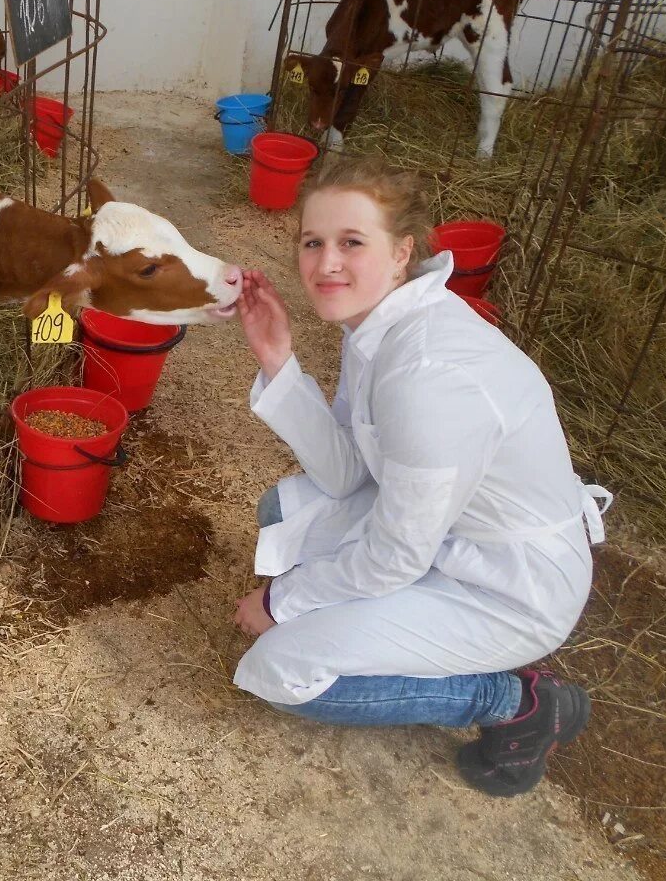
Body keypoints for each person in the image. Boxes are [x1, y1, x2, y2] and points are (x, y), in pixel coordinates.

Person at [231, 157, 612, 797]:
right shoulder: (381, 329)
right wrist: (278, 360)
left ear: (403, 251)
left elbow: (397, 553)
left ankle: (510, 701)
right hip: (442, 537)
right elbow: (349, 472)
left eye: (352, 242)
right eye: (313, 242)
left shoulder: (426, 371)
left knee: (282, 667)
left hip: (509, 586)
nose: (326, 263)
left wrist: (281, 602)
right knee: (282, 511)